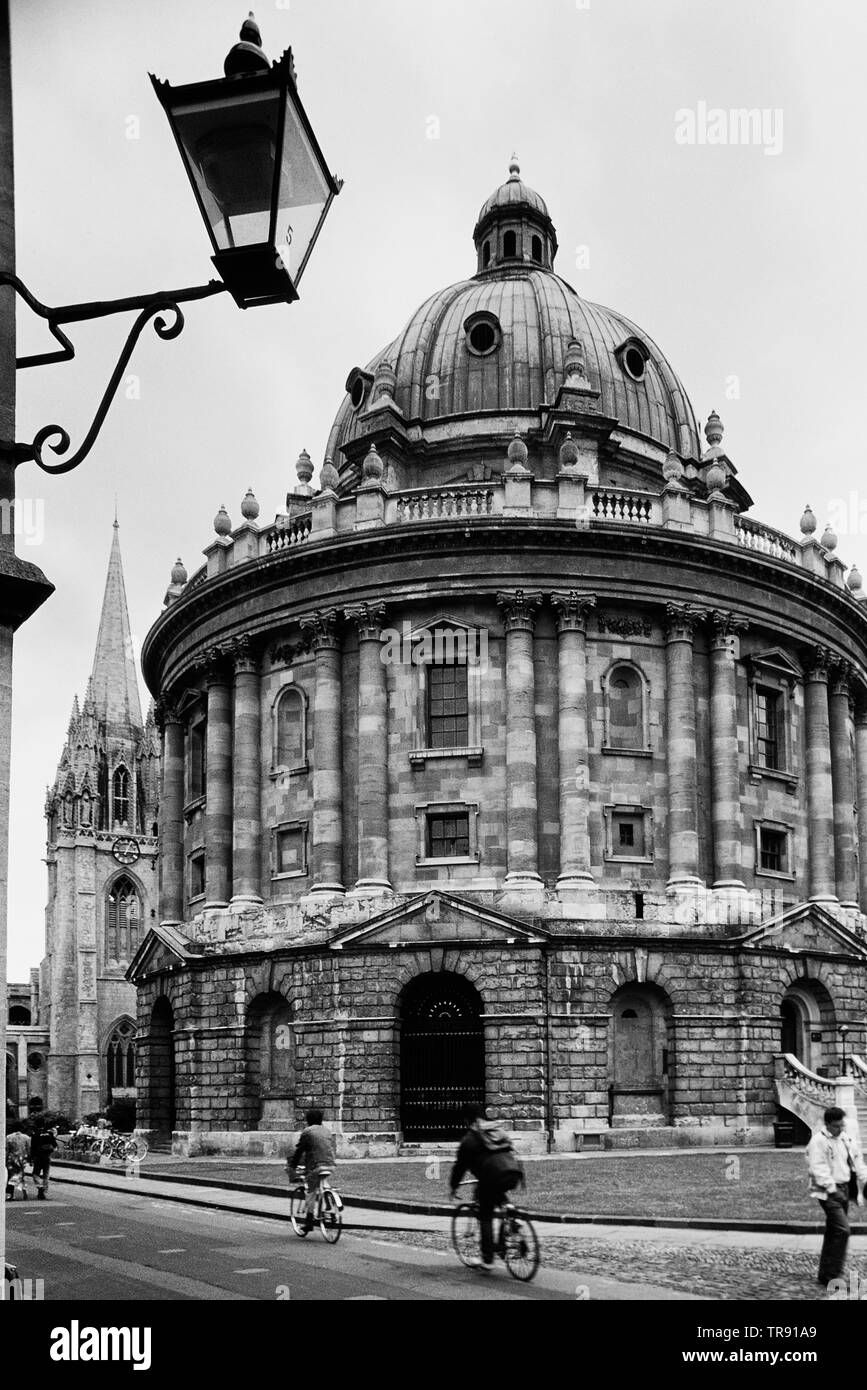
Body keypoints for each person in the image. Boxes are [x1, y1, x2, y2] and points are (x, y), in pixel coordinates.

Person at [450, 1104, 524, 1271]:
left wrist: (453, 1187)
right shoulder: (495, 1129)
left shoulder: (469, 1139)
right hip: (513, 1172)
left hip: (491, 1177)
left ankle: (487, 1258)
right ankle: (510, 1213)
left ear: (466, 1120)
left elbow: (459, 1167)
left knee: (485, 1215)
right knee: (497, 1193)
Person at [806, 1105, 867, 1291]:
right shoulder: (819, 1141)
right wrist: (832, 1189)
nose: (840, 1129)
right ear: (827, 1124)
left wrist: (865, 1180)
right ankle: (834, 1275)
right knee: (842, 1230)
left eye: (842, 1125)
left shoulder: (846, 1138)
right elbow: (817, 1167)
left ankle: (825, 1274)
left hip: (845, 1188)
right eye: (836, 1126)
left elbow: (857, 1161)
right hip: (828, 1191)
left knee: (833, 1231)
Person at [286, 1108, 337, 1235]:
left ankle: (309, 1221)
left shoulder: (307, 1132)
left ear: (308, 1120)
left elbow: (299, 1150)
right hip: (330, 1165)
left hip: (316, 1166)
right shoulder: (327, 1131)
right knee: (322, 1181)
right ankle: (331, 1207)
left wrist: (292, 1165)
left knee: (310, 1190)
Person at [30, 1119, 58, 1200]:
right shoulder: (49, 1133)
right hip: (47, 1156)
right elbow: (55, 1145)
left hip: (38, 1157)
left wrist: (31, 1158)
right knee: (46, 1174)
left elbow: (33, 1147)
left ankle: (40, 1187)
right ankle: (44, 1189)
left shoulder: (35, 1134)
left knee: (35, 1174)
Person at [5, 1128, 30, 1202]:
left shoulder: (9, 1137)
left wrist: (5, 1159)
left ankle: (10, 1193)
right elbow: (28, 1149)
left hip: (11, 1159)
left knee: (10, 1175)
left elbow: (7, 1149)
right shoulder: (26, 1137)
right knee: (21, 1175)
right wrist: (29, 1158)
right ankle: (24, 1189)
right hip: (22, 1159)